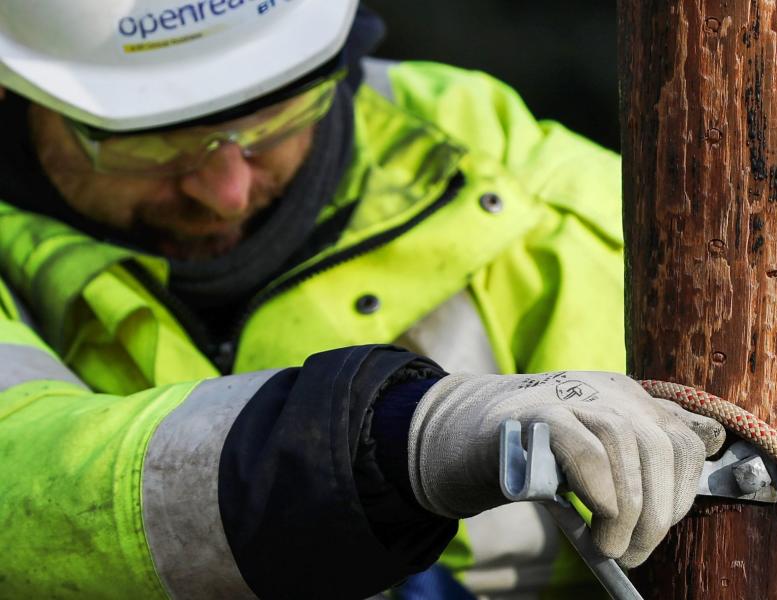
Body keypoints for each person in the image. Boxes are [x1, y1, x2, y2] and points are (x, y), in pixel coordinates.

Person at [0, 1, 726, 598]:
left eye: (270, 123)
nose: (224, 188)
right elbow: (23, 481)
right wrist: (397, 440)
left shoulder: (548, 210)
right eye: (153, 146)